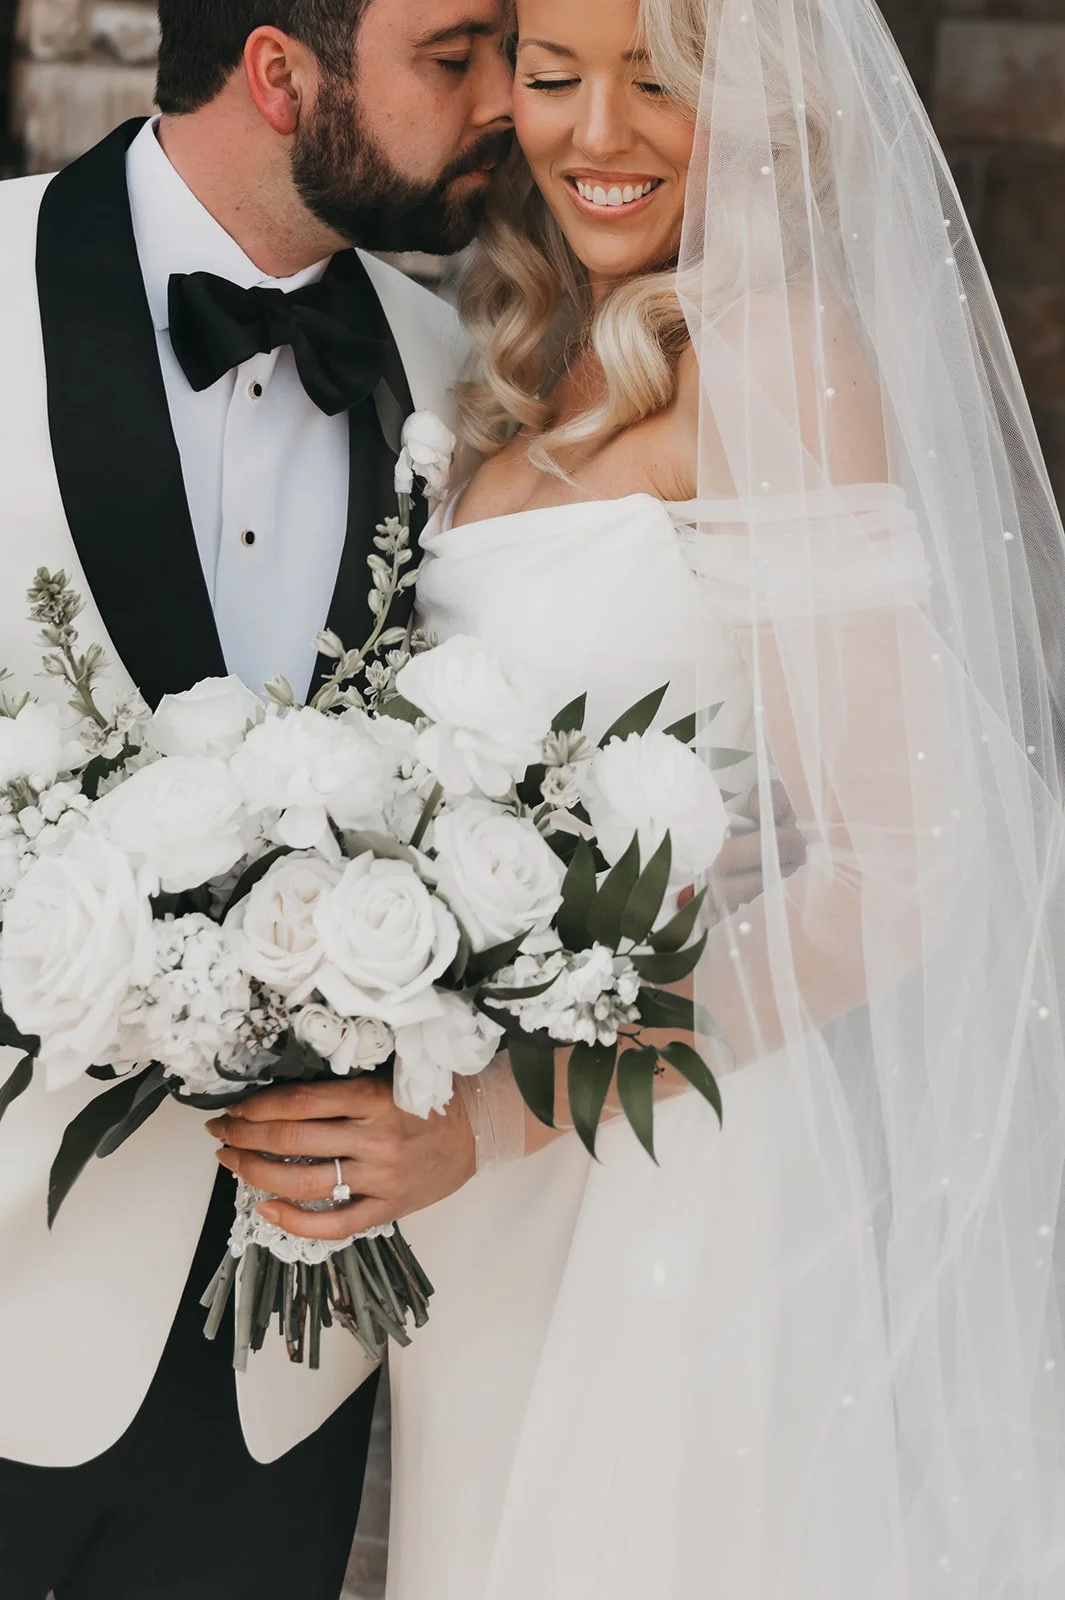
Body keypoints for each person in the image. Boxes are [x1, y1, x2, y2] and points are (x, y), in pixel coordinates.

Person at [230, 0, 1065, 1594]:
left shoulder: (783, 351)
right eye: (554, 78)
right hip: (481, 1215)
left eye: (661, 84)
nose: (598, 136)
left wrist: (497, 1118)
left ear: (764, 108)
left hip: (653, 1181)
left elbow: (903, 863)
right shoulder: (528, 349)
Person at [0, 3, 515, 1597]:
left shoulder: (465, 388)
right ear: (285, 74)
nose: (509, 102)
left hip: (281, 1375)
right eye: (456, 54)